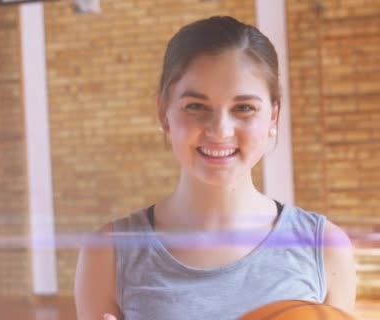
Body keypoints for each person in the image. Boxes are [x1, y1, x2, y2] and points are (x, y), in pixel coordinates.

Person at [74, 16, 356, 320]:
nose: (220, 130)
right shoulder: (109, 252)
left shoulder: (324, 247)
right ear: (163, 113)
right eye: (196, 106)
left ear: (273, 116)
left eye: (244, 108)